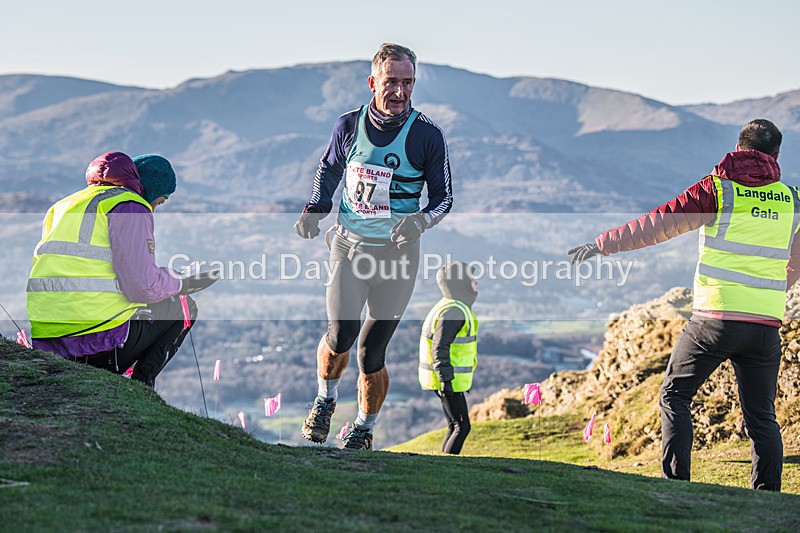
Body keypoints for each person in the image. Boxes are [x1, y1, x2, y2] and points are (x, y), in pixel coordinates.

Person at [568, 119, 798, 491]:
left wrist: (602, 244)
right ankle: (768, 496)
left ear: (739, 148)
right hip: (765, 325)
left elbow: (660, 223)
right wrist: (770, 291)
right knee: (762, 417)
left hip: (715, 320)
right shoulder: (792, 200)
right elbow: (796, 262)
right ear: (775, 155)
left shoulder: (719, 190)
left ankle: (677, 485)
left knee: (675, 395)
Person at [294, 43, 453, 450]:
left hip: (398, 258)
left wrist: (419, 221)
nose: (399, 92)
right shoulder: (348, 125)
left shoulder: (426, 135)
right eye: (391, 82)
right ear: (372, 83)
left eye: (408, 83)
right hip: (349, 247)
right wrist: (316, 208)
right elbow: (329, 169)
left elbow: (444, 199)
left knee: (370, 354)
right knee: (341, 334)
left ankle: (363, 429)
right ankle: (324, 401)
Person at [26, 152, 215, 387]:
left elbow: (88, 271)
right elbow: (142, 287)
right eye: (161, 200)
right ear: (152, 190)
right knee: (183, 307)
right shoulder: (131, 207)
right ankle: (140, 388)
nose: (156, 207)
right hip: (92, 344)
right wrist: (182, 283)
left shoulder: (67, 204)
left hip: (47, 341)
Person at [419, 262, 479, 455]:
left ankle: (443, 463)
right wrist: (447, 380)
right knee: (462, 427)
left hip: (446, 378)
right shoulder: (454, 311)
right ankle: (445, 467)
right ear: (461, 284)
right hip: (447, 380)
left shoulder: (450, 306)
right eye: (471, 279)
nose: (475, 283)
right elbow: (440, 347)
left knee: (454, 426)